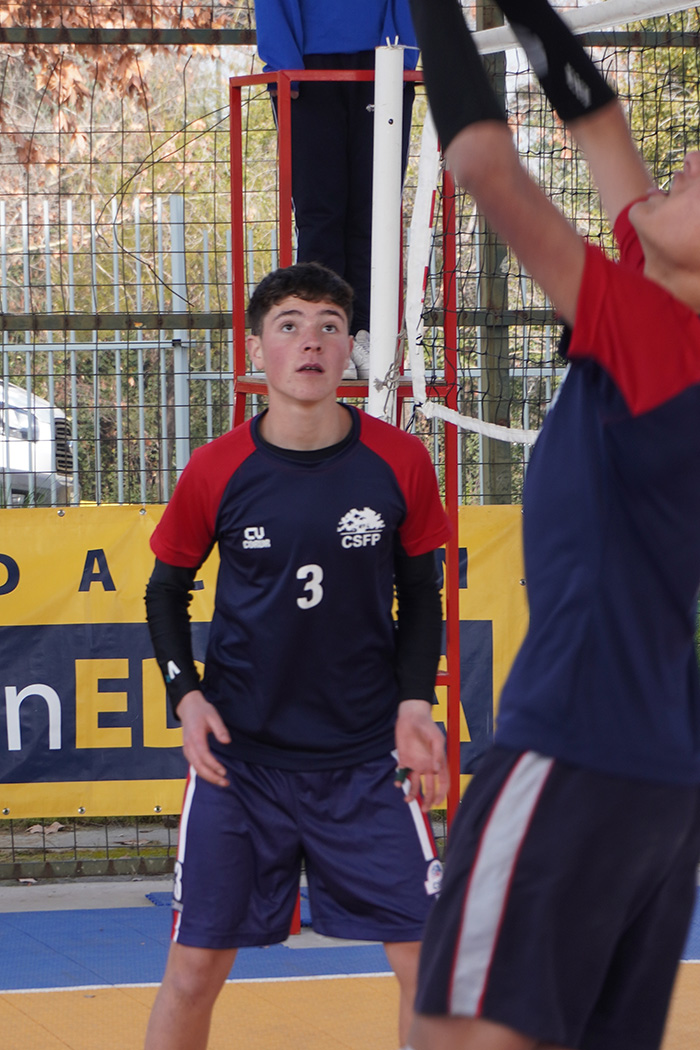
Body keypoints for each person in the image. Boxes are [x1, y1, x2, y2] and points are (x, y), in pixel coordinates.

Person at [402, 2, 700, 1049]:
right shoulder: (661, 302)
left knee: (450, 1038)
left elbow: (487, 167)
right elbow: (599, 125)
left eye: (699, 181)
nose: (681, 164)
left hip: (572, 747)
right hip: (659, 781)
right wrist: (527, 12)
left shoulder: (658, 335)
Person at [142, 260, 452, 1050]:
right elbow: (164, 592)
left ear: (348, 349)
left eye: (328, 326)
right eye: (289, 325)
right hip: (240, 763)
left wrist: (415, 701)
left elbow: (421, 594)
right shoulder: (216, 467)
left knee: (432, 968)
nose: (310, 340)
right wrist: (186, 696)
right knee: (192, 972)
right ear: (258, 350)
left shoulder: (400, 461)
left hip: (366, 759)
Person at [253, 0, 419, 377]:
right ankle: (326, 339)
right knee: (319, 215)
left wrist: (400, 57)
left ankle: (368, 335)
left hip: (384, 64)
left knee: (375, 213)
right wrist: (284, 67)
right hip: (306, 69)